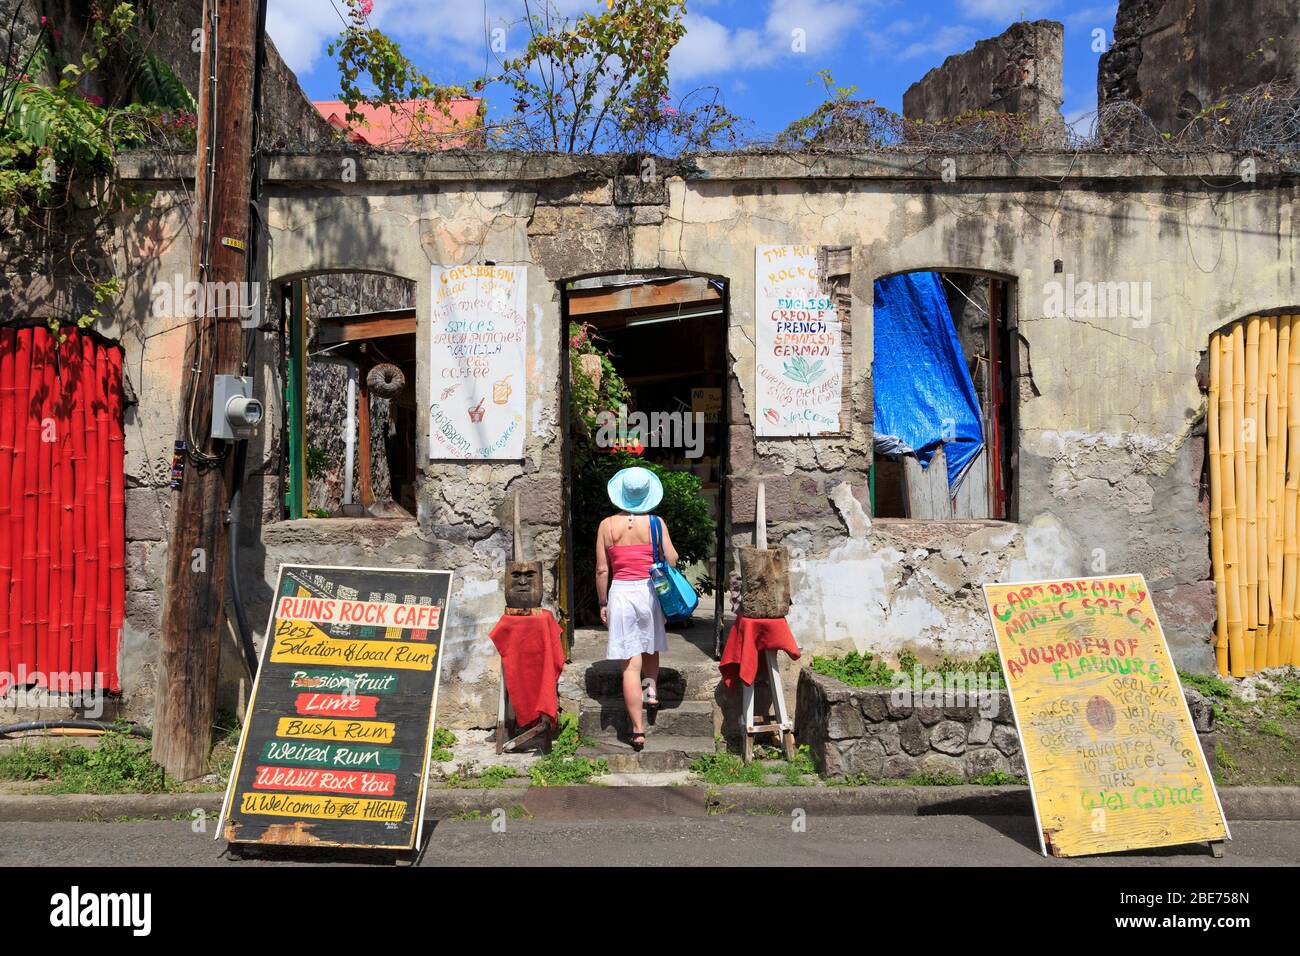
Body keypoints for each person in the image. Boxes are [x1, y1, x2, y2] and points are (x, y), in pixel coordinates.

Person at [595, 466, 678, 751]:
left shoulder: (606, 526)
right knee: (650, 644)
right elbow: (673, 559)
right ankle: (651, 690)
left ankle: (637, 730)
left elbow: (601, 570)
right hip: (649, 592)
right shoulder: (656, 523)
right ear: (646, 496)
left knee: (629, 665)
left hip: (621, 594)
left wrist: (603, 602)